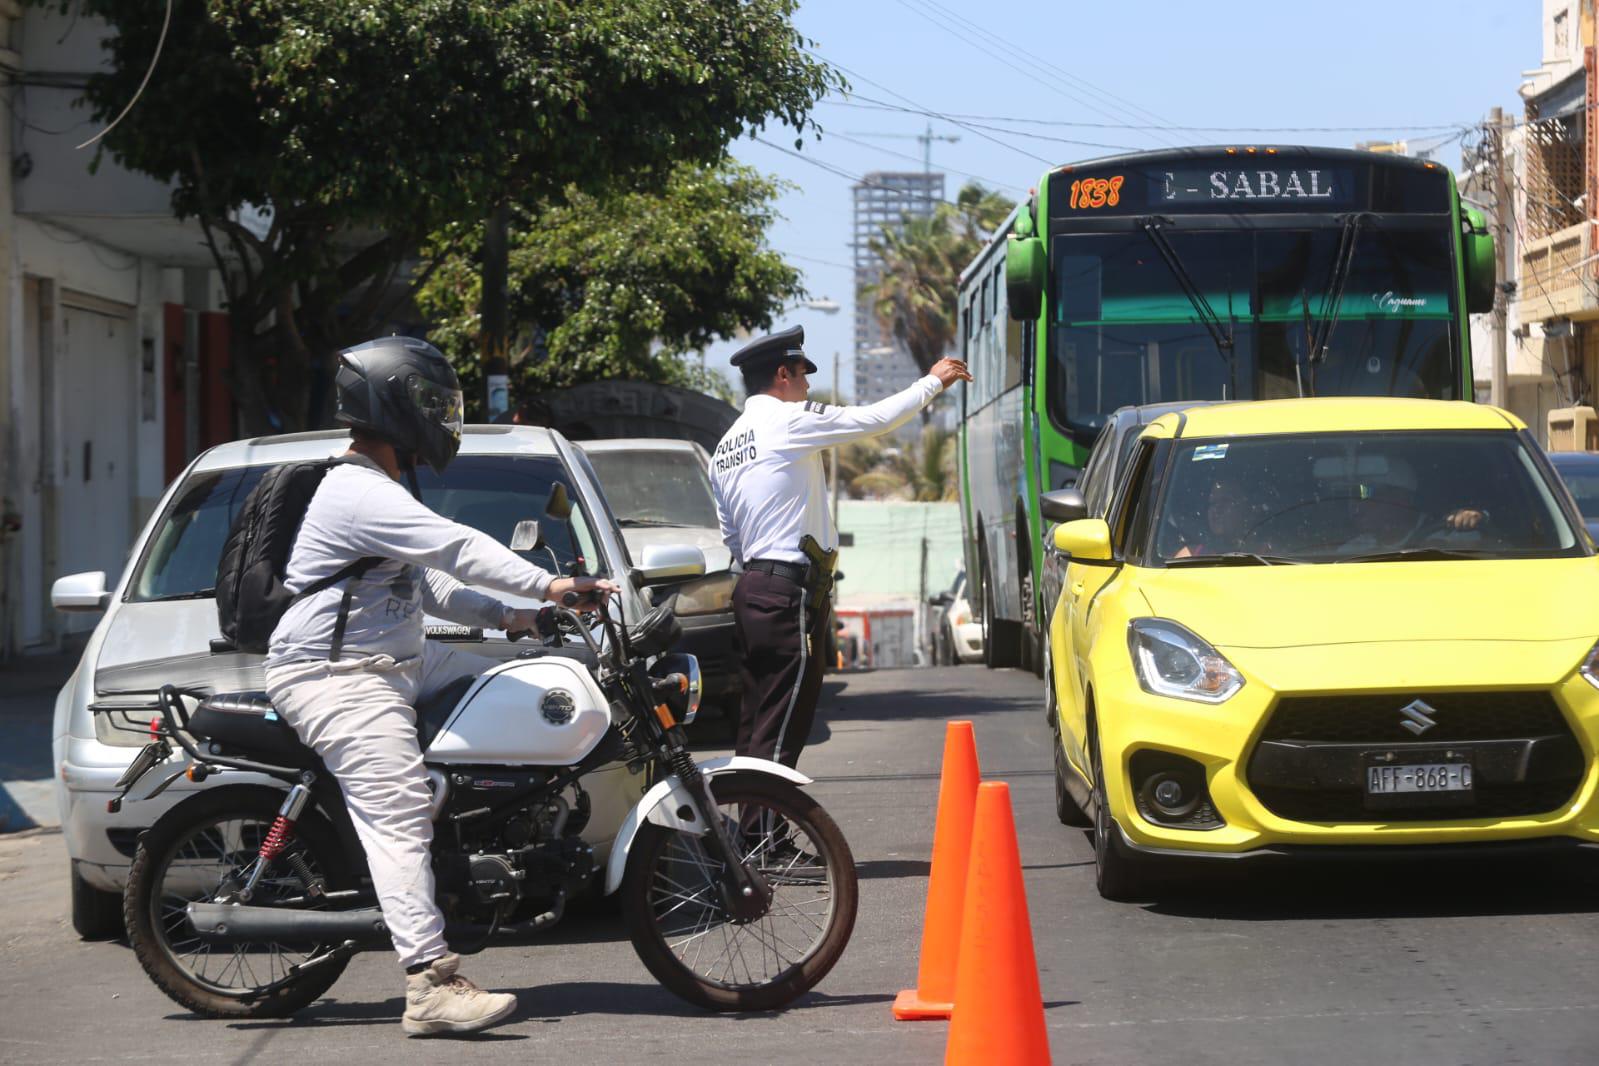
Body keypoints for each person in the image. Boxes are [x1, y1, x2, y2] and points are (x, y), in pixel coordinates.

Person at [263, 336, 616, 1037]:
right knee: (397, 814)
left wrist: (518, 618)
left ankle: (475, 837)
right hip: (336, 677)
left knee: (517, 688)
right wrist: (548, 581)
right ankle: (429, 984)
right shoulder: (358, 489)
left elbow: (431, 583)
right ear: (392, 405)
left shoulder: (380, 487)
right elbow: (456, 546)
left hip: (393, 660)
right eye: (430, 403)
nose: (441, 417)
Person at [708, 325, 971, 771]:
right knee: (781, 732)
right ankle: (764, 839)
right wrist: (933, 382)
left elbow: (730, 534)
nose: (808, 384)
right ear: (782, 374)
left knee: (757, 727)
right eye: (802, 373)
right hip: (786, 593)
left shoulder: (725, 447)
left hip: (753, 587)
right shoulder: (787, 421)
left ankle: (756, 837)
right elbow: (874, 420)